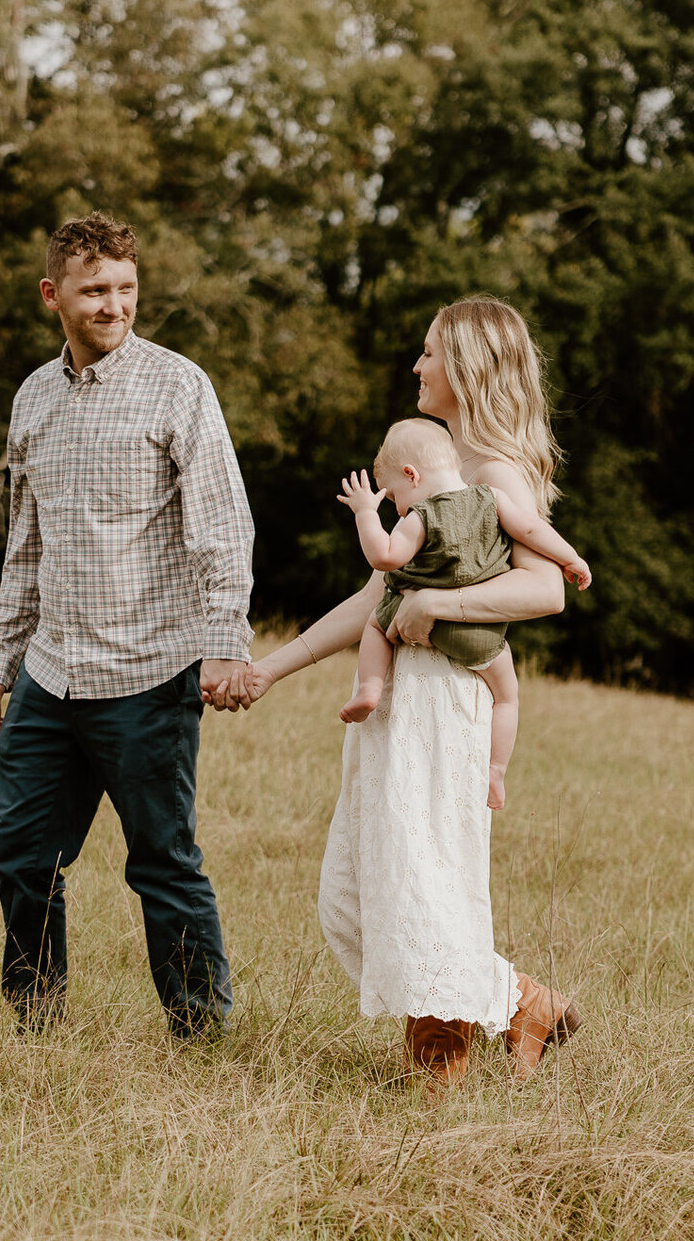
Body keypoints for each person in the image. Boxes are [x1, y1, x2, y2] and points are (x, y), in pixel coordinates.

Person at [211, 296, 581, 1087]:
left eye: (430, 353)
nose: (417, 366)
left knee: (420, 882)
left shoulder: (493, 473)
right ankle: (521, 1000)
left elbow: (546, 590)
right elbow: (375, 597)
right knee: (362, 890)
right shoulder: (442, 466)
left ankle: (438, 1070)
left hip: (444, 702)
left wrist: (436, 605)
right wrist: (272, 667)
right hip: (399, 703)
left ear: (469, 366)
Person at [0, 211, 253, 1038]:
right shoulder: (32, 398)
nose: (115, 305)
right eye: (96, 291)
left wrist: (224, 642)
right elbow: (26, 546)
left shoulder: (178, 386)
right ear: (54, 295)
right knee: (19, 851)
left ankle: (200, 1035)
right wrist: (0, 659)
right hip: (51, 676)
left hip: (150, 676)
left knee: (162, 863)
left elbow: (222, 527)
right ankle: (35, 1019)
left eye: (127, 289)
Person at [336, 416, 591, 809]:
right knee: (508, 698)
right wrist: (571, 558)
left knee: (374, 623)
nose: (397, 508)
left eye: (394, 497)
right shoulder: (491, 497)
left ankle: (370, 688)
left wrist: (365, 514)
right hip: (482, 638)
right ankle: (496, 770)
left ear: (412, 475)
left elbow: (384, 557)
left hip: (417, 623)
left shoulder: (420, 517)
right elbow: (531, 531)